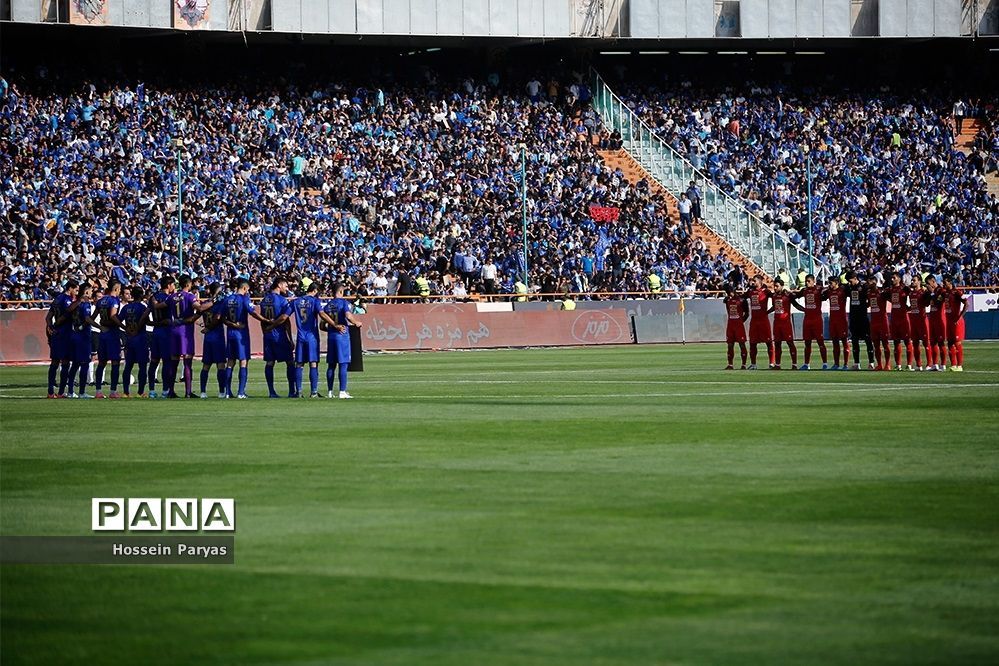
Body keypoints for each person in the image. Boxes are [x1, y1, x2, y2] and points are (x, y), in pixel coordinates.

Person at [223, 279, 270, 399]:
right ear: (244, 288)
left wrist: (232, 324)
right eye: (248, 289)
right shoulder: (244, 299)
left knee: (230, 362)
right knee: (243, 362)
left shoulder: (227, 299)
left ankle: (227, 392)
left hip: (230, 333)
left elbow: (221, 317)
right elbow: (253, 312)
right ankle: (240, 392)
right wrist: (264, 320)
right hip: (241, 334)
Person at [293, 280, 336, 398]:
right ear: (315, 290)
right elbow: (322, 314)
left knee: (299, 364)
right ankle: (314, 392)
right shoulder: (315, 301)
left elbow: (285, 316)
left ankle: (299, 391)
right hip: (311, 336)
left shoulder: (296, 301)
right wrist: (334, 324)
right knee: (313, 364)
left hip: (301, 335)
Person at [322, 282, 363, 399]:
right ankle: (342, 391)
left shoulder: (327, 305)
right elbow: (348, 316)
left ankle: (330, 392)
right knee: (343, 364)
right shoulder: (343, 303)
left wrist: (331, 329)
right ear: (340, 291)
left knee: (331, 365)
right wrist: (356, 323)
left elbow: (321, 325)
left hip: (331, 337)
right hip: (342, 336)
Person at [166, 275, 203, 398]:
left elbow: (160, 306)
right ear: (188, 284)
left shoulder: (171, 297)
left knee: (173, 362)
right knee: (187, 362)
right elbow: (200, 308)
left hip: (173, 329)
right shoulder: (190, 296)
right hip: (185, 331)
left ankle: (170, 391)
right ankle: (188, 392)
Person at [259, 277, 296, 398]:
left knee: (270, 362)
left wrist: (265, 331)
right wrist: (290, 338)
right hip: (279, 335)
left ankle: (271, 392)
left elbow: (262, 319)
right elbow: (285, 320)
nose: (287, 288)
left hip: (268, 335)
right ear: (279, 285)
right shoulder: (282, 300)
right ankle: (292, 391)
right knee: (290, 362)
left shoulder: (264, 300)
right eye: (286, 285)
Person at [46, 278, 78, 398]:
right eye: (76, 290)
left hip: (56, 334)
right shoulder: (67, 300)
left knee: (54, 362)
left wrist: (50, 326)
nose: (76, 292)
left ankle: (50, 391)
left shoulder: (56, 299)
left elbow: (48, 317)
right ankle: (60, 392)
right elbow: (68, 313)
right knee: (65, 362)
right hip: (66, 333)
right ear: (70, 288)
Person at [147, 276, 176, 398]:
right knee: (166, 362)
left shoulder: (153, 297)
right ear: (169, 285)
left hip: (156, 332)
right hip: (166, 332)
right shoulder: (170, 298)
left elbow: (146, 314)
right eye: (173, 284)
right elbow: (171, 318)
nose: (174, 287)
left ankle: (152, 390)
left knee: (154, 362)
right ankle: (165, 390)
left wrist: (152, 323)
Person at [93, 280, 123, 398]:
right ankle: (113, 391)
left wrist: (100, 326)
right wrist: (123, 326)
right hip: (112, 333)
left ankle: (98, 391)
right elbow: (112, 316)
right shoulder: (114, 300)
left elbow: (91, 318)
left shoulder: (101, 301)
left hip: (102, 334)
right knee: (115, 362)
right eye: (119, 289)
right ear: (116, 289)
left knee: (102, 363)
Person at [198, 282, 229, 399]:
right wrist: (208, 327)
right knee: (220, 365)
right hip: (217, 336)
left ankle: (203, 392)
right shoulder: (220, 303)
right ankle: (222, 392)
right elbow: (218, 318)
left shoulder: (206, 303)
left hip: (208, 337)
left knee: (206, 365)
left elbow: (197, 313)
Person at [791, 274, 828, 370]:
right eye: (806, 281)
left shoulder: (819, 289)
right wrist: (802, 309)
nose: (807, 283)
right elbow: (793, 298)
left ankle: (825, 363)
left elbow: (827, 294)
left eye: (808, 281)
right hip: (807, 320)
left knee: (820, 342)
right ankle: (806, 364)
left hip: (817, 319)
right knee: (807, 343)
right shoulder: (804, 291)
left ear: (813, 281)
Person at [66, 283, 96, 398]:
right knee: (84, 364)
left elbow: (68, 311)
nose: (92, 292)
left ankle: (70, 391)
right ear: (86, 291)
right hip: (83, 337)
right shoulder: (86, 303)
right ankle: (82, 392)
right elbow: (87, 318)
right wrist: (99, 327)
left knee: (75, 364)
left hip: (74, 335)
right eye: (91, 290)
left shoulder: (76, 302)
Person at [119, 286, 150, 398]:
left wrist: (124, 327)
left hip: (129, 339)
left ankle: (126, 392)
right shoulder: (142, 307)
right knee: (142, 366)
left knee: (128, 366)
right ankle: (140, 392)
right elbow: (147, 321)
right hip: (140, 338)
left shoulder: (126, 307)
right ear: (141, 295)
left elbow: (117, 318)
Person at [846, 271, 875, 370]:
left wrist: (864, 306)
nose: (849, 283)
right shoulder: (849, 287)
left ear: (855, 278)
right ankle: (856, 363)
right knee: (854, 340)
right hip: (853, 317)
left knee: (868, 339)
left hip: (862, 317)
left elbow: (871, 298)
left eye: (850, 281)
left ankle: (871, 363)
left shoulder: (864, 286)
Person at [744, 275, 774, 369]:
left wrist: (768, 311)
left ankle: (772, 363)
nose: (753, 282)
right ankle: (753, 364)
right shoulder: (750, 291)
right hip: (754, 321)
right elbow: (741, 297)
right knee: (752, 343)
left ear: (760, 281)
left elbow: (776, 298)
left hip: (763, 321)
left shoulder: (766, 291)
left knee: (769, 342)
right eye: (753, 281)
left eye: (755, 281)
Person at [886, 272, 913, 371]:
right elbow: (886, 297)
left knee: (907, 341)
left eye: (894, 278)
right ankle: (898, 365)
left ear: (899, 279)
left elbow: (914, 296)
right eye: (892, 278)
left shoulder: (905, 289)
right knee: (896, 342)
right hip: (894, 318)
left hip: (903, 318)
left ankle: (909, 364)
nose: (892, 279)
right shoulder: (890, 289)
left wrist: (909, 307)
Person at [770, 278, 798, 370]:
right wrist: (766, 312)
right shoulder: (774, 296)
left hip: (786, 323)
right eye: (774, 286)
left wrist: (804, 310)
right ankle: (777, 364)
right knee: (777, 343)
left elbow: (795, 304)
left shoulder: (787, 295)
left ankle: (794, 364)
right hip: (776, 323)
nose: (775, 288)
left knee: (790, 343)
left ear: (782, 286)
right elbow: (774, 307)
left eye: (777, 286)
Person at [942, 276, 967, 371]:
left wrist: (960, 316)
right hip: (949, 321)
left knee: (957, 343)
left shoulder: (956, 292)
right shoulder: (945, 293)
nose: (944, 284)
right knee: (950, 343)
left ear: (950, 282)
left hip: (956, 321)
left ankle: (960, 365)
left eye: (945, 282)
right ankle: (953, 364)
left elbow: (966, 303)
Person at [825, 278, 850, 370]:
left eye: (831, 283)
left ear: (836, 283)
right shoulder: (829, 292)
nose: (829, 284)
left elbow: (850, 288)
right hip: (833, 320)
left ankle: (846, 364)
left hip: (842, 320)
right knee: (835, 342)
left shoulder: (843, 291)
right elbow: (822, 296)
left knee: (844, 341)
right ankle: (836, 364)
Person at [868, 275, 891, 370]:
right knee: (876, 344)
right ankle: (879, 364)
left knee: (885, 343)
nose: (868, 284)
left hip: (882, 321)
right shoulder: (868, 293)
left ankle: (888, 364)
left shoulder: (882, 292)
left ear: (874, 282)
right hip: (874, 321)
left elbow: (891, 299)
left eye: (869, 282)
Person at [908, 274, 931, 371]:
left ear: (919, 281)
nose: (912, 282)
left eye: (914, 280)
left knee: (926, 343)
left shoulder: (923, 292)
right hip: (913, 321)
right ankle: (918, 365)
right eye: (912, 280)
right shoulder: (911, 293)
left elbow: (926, 303)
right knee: (915, 343)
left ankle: (929, 364)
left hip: (922, 320)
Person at [925, 275, 948, 371]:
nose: (927, 285)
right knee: (933, 342)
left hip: (940, 319)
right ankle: (935, 364)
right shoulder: (931, 292)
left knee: (941, 342)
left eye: (928, 283)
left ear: (933, 281)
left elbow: (938, 303)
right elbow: (926, 303)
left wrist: (932, 293)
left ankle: (943, 364)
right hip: (932, 318)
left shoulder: (941, 291)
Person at [722, 285, 748, 370]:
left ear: (733, 291)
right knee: (730, 345)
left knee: (742, 344)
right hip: (730, 325)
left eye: (729, 293)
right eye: (727, 293)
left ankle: (743, 364)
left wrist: (741, 321)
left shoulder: (741, 300)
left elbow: (747, 313)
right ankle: (730, 364)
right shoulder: (727, 300)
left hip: (739, 326)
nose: (728, 295)